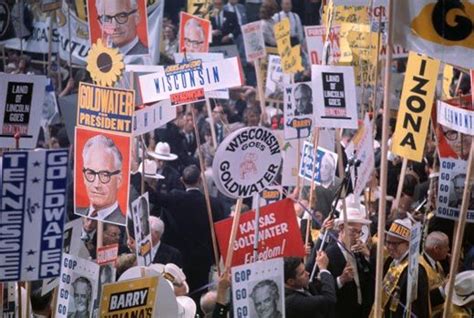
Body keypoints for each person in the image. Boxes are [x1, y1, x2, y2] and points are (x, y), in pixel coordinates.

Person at [324, 199, 374, 318]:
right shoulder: (329, 253)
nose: (357, 236)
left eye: (359, 232)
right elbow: (322, 291)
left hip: (361, 311)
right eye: (353, 232)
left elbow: (370, 278)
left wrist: (368, 256)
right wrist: (341, 280)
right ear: (341, 228)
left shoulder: (359, 251)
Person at [371, 218, 430, 317]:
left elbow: (418, 307)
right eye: (388, 242)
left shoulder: (416, 270)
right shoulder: (391, 261)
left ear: (408, 244)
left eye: (394, 244)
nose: (389, 247)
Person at [76, 134, 126, 225]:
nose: (96, 184)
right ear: (83, 176)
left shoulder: (124, 227)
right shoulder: (75, 214)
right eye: (90, 173)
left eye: (104, 175)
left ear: (119, 180)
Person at [420, 231, 450, 317]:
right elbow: (424, 300)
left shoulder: (437, 263)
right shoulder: (421, 268)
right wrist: (443, 288)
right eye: (446, 246)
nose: (448, 249)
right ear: (436, 249)